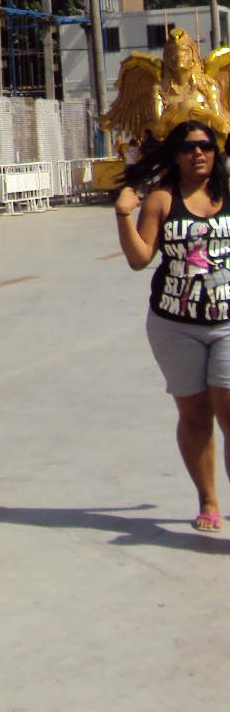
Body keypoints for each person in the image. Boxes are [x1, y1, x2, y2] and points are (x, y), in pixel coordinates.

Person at [115, 119, 230, 533]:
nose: (198, 153)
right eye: (188, 147)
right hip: (174, 325)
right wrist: (123, 214)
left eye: (206, 146)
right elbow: (139, 258)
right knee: (196, 413)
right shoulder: (162, 199)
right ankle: (208, 498)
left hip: (227, 322)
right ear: (176, 155)